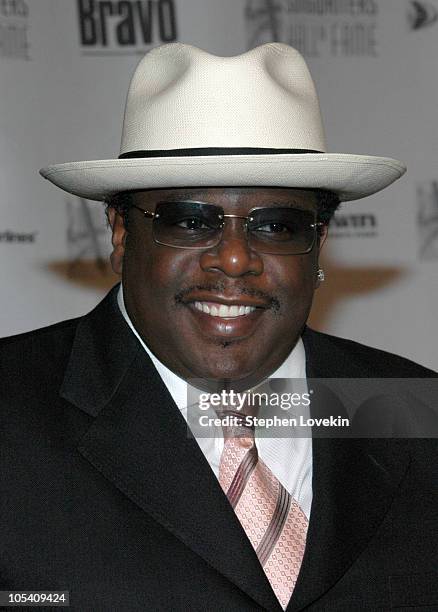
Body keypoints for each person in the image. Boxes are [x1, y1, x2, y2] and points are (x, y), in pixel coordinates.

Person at [1, 43, 437, 612]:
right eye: (188, 221)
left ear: (319, 243)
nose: (234, 260)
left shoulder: (414, 411)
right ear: (120, 234)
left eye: (278, 225)